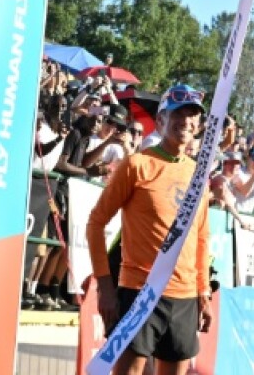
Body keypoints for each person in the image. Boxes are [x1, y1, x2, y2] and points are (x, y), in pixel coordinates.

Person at [86, 85, 213, 375]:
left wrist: (203, 292)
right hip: (140, 293)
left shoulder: (198, 175)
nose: (186, 120)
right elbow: (96, 223)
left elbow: (203, 237)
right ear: (160, 121)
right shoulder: (137, 165)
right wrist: (104, 285)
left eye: (192, 114)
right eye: (177, 113)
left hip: (184, 296)